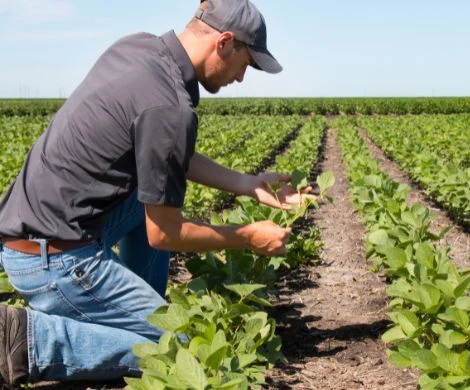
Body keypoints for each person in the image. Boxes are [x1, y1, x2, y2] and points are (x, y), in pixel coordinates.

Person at [0, 0, 309, 387]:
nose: (242, 78)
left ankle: (134, 308)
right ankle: (31, 341)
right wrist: (247, 237)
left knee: (148, 196)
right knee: (182, 350)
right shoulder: (170, 106)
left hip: (33, 233)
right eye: (246, 64)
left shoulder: (141, 48)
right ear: (225, 42)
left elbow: (165, 155)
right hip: (54, 261)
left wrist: (247, 184)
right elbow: (163, 234)